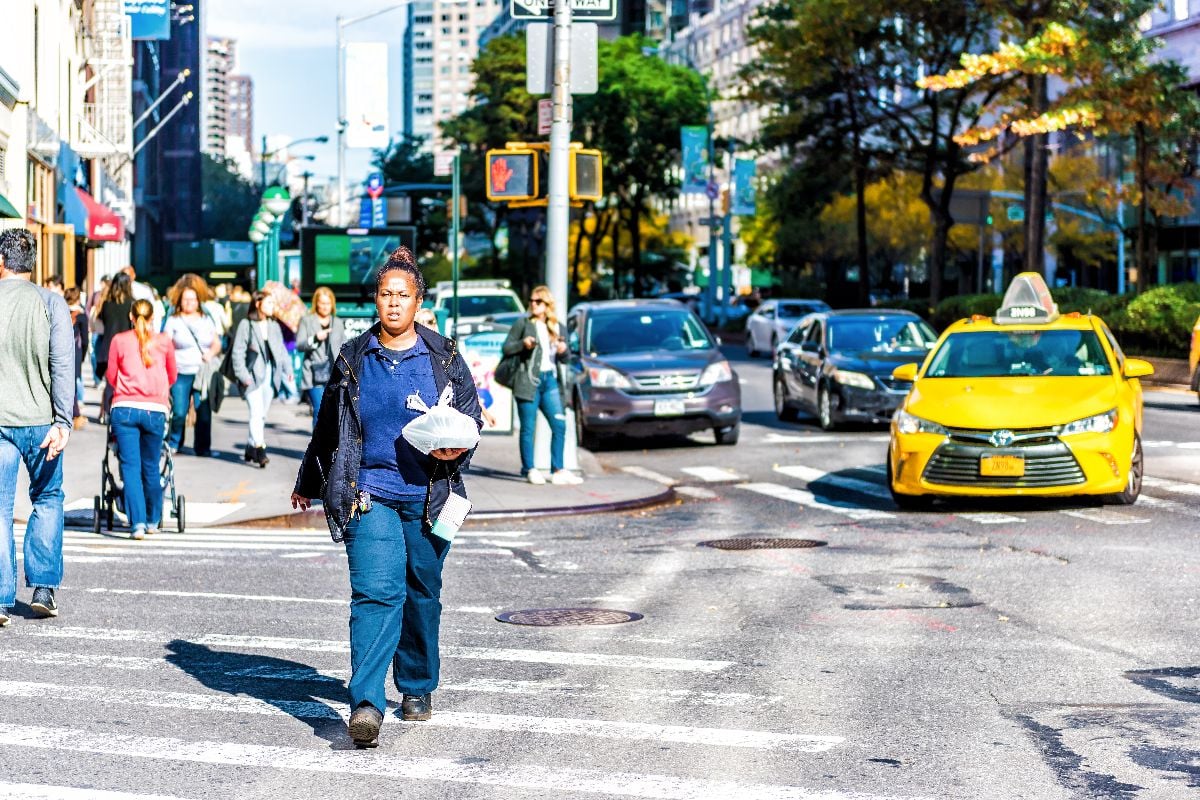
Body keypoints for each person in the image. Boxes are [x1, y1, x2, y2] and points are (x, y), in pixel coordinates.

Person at [291, 246, 482, 748]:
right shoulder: (354, 357)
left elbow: (472, 420)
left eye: (403, 295)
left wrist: (455, 447)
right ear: (375, 300)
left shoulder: (444, 357)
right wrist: (309, 481)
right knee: (378, 593)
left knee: (422, 592)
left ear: (419, 302)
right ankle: (368, 703)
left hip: (429, 496)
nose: (393, 304)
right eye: (385, 295)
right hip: (368, 491)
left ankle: (417, 685)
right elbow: (329, 424)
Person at [0, 229, 74, 625]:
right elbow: (63, 365)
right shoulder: (51, 302)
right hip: (41, 420)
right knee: (47, 498)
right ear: (33, 265)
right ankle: (43, 588)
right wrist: (64, 420)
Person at [105, 300, 177, 539]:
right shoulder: (165, 341)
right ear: (153, 317)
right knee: (151, 465)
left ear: (131, 316)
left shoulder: (119, 340)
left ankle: (137, 523)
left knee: (130, 468)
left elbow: (111, 375)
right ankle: (153, 518)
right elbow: (173, 375)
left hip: (125, 407)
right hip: (155, 409)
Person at [501, 285, 582, 485]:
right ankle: (529, 468)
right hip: (528, 381)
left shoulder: (557, 327)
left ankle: (558, 469)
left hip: (550, 381)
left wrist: (563, 350)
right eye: (531, 301)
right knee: (528, 428)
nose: (533, 304)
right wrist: (523, 344)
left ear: (547, 305)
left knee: (559, 425)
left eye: (538, 301)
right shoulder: (523, 323)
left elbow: (566, 358)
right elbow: (507, 347)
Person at [230, 290, 295, 467]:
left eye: (273, 304)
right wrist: (243, 376)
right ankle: (260, 449)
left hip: (269, 374)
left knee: (261, 415)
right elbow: (237, 352)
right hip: (251, 376)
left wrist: (288, 370)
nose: (272, 307)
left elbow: (281, 351)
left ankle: (250, 447)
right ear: (258, 304)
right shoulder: (247, 324)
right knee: (256, 413)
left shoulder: (274, 326)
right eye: (269, 303)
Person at [163, 283, 221, 456]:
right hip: (180, 371)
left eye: (193, 299)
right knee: (179, 412)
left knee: (203, 411)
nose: (189, 302)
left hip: (202, 371)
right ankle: (174, 443)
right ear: (180, 301)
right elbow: (166, 344)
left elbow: (216, 342)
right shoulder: (173, 320)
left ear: (198, 301)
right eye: (186, 299)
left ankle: (203, 448)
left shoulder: (206, 319)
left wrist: (211, 353)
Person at [296, 287, 345, 429]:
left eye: (328, 303)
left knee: (333, 412)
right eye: (322, 303)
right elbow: (299, 345)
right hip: (313, 373)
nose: (325, 307)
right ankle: (318, 448)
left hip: (334, 373)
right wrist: (315, 339)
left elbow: (344, 345)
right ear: (316, 303)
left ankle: (329, 447)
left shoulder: (337, 322)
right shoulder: (307, 321)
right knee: (319, 409)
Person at [95, 272, 135, 420]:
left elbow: (102, 322)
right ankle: (120, 413)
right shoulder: (132, 303)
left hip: (107, 346)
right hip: (127, 347)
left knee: (109, 383)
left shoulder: (106, 304)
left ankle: (105, 412)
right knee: (124, 383)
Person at [65, 288, 89, 429]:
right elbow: (85, 340)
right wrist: (83, 355)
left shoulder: (60, 310)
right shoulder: (81, 315)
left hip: (61, 349)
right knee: (73, 382)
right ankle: (75, 412)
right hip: (76, 351)